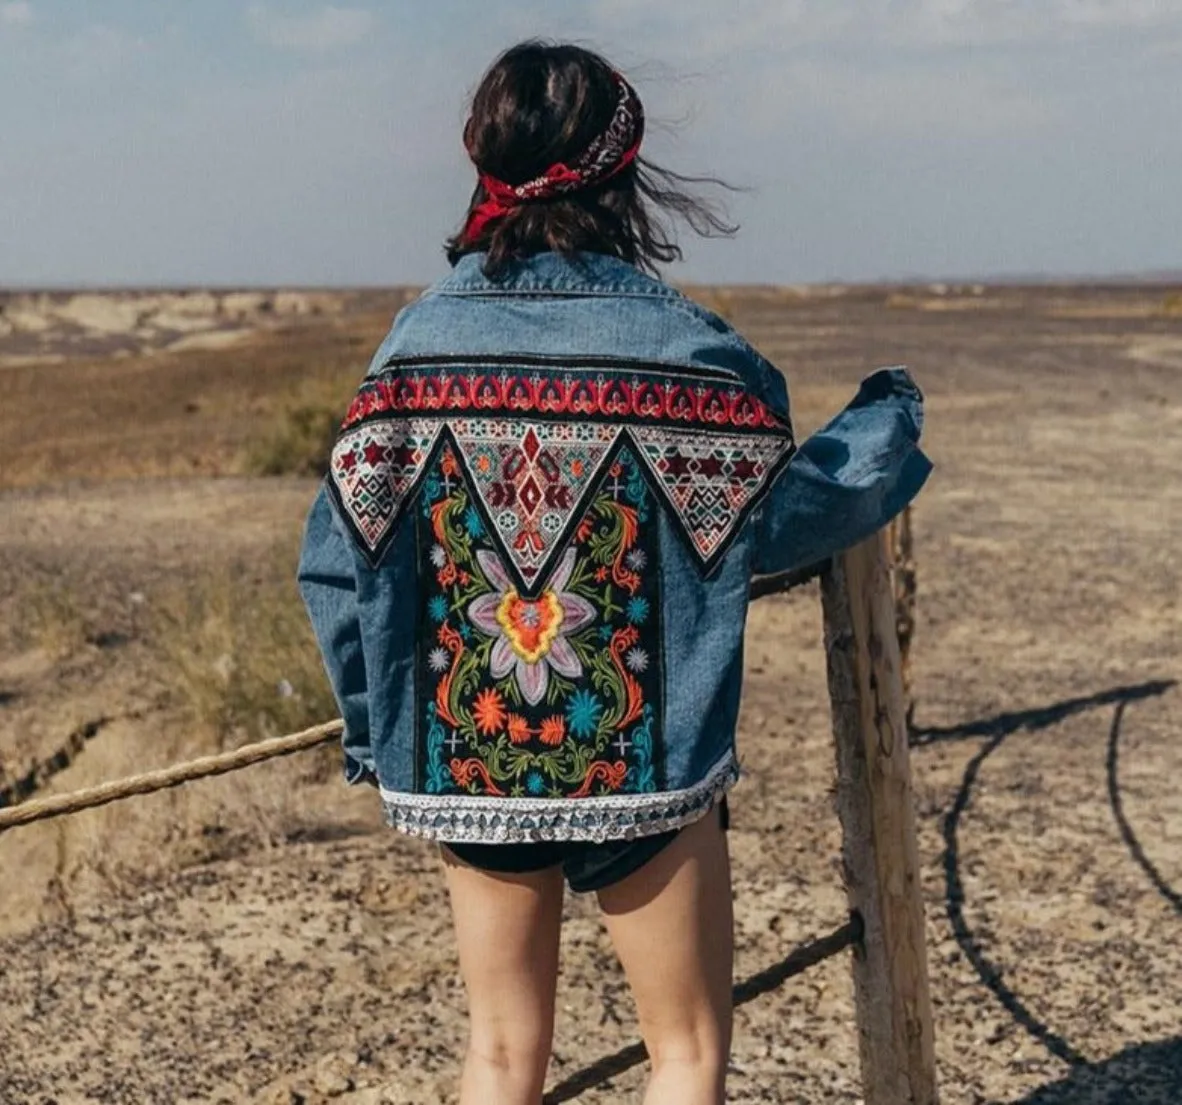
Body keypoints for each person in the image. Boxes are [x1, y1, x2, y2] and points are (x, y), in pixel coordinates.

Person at [298, 40, 931, 1105]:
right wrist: (887, 419)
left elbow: (336, 563)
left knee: (500, 1057)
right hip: (643, 763)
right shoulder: (686, 351)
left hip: (472, 756)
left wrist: (381, 736)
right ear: (623, 170)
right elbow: (779, 517)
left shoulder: (408, 352)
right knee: (684, 1053)